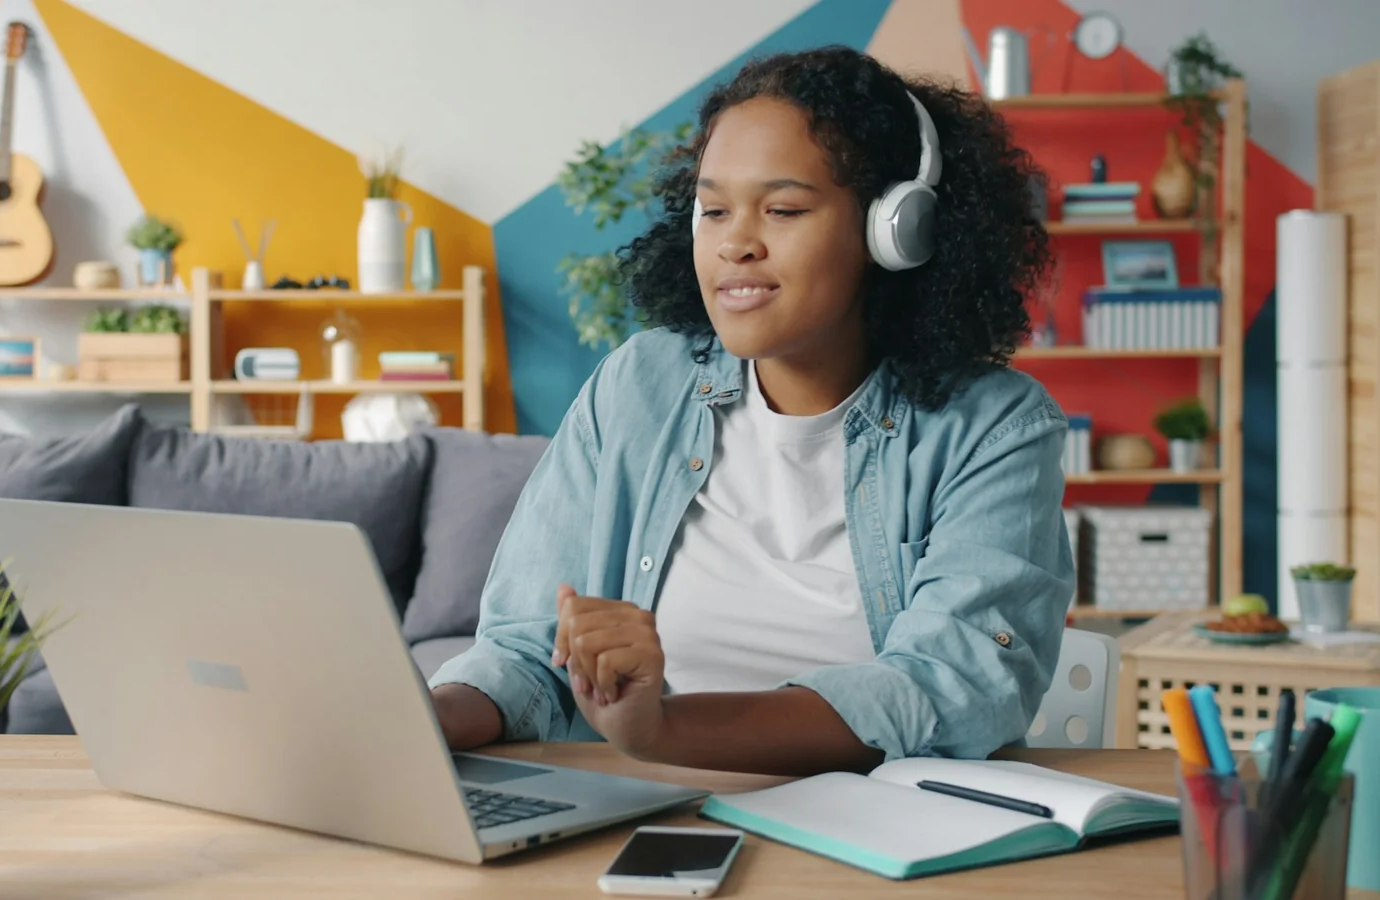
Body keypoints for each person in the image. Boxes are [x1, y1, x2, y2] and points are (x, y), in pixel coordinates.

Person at [428, 45, 1073, 777]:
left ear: (894, 231)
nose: (734, 244)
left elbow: (950, 687)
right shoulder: (638, 387)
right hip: (647, 814)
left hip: (881, 823)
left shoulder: (994, 428)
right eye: (713, 210)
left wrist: (662, 730)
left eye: (783, 210)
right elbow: (523, 649)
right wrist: (424, 716)